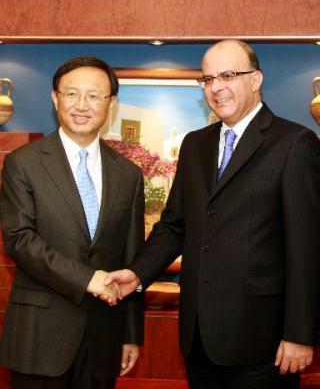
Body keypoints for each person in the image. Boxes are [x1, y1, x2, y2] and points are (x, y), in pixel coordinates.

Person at [105, 40, 320, 389]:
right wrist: (136, 273)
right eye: (207, 79)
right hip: (199, 338)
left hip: (263, 343)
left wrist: (300, 333)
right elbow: (175, 226)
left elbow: (307, 247)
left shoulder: (294, 143)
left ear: (256, 79)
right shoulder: (195, 144)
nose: (216, 87)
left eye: (228, 75)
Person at [0, 56, 145, 389]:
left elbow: (132, 257)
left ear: (111, 103)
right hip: (39, 336)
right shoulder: (23, 164)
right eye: (72, 94)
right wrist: (87, 279)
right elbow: (20, 240)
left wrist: (131, 334)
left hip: (104, 339)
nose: (82, 105)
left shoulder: (128, 174)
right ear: (55, 98)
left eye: (94, 96)